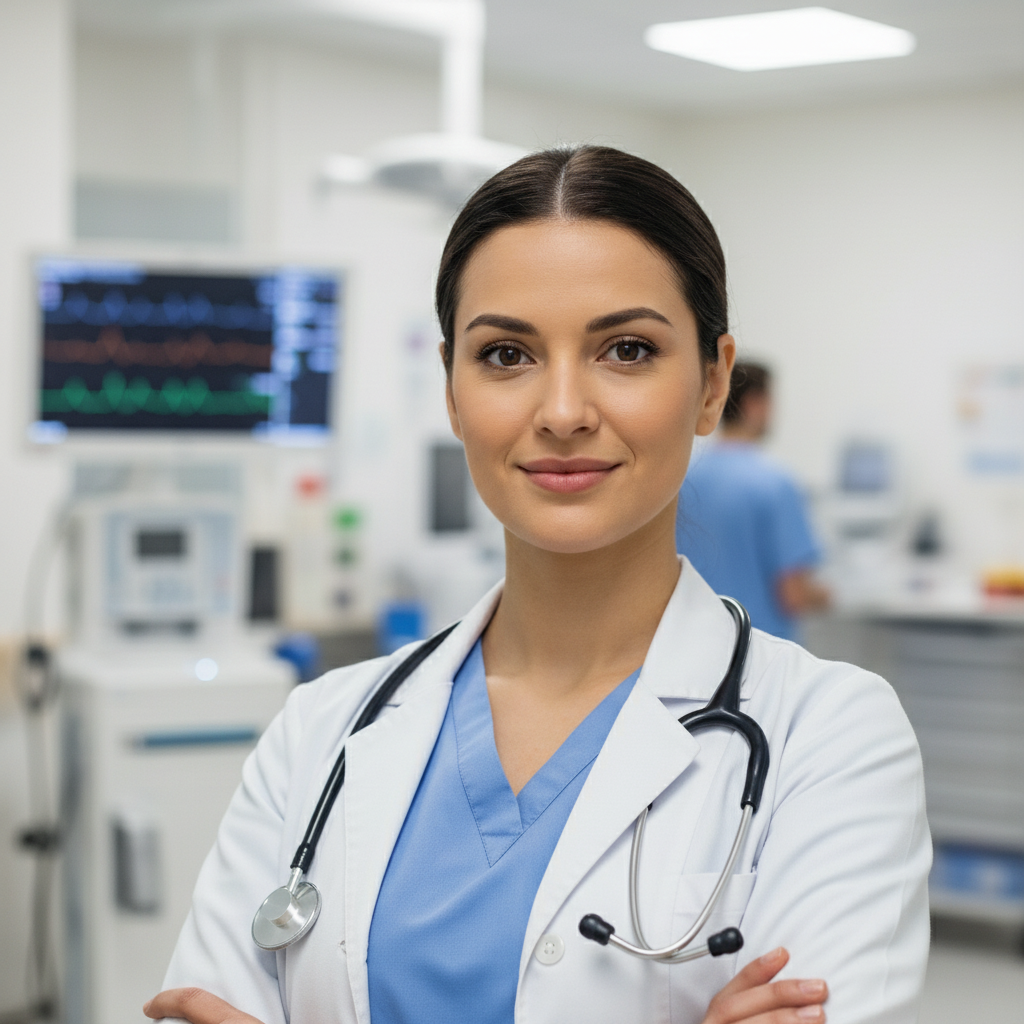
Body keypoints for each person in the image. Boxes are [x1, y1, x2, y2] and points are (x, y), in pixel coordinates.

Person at [145, 147, 930, 1024]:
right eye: (506, 353)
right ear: (451, 387)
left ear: (712, 383)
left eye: (626, 350)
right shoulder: (320, 732)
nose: (561, 410)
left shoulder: (831, 739)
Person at [677, 363, 830, 642]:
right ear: (755, 403)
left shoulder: (682, 479)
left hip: (693, 645)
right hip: (758, 656)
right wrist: (829, 596)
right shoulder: (775, 483)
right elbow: (794, 595)